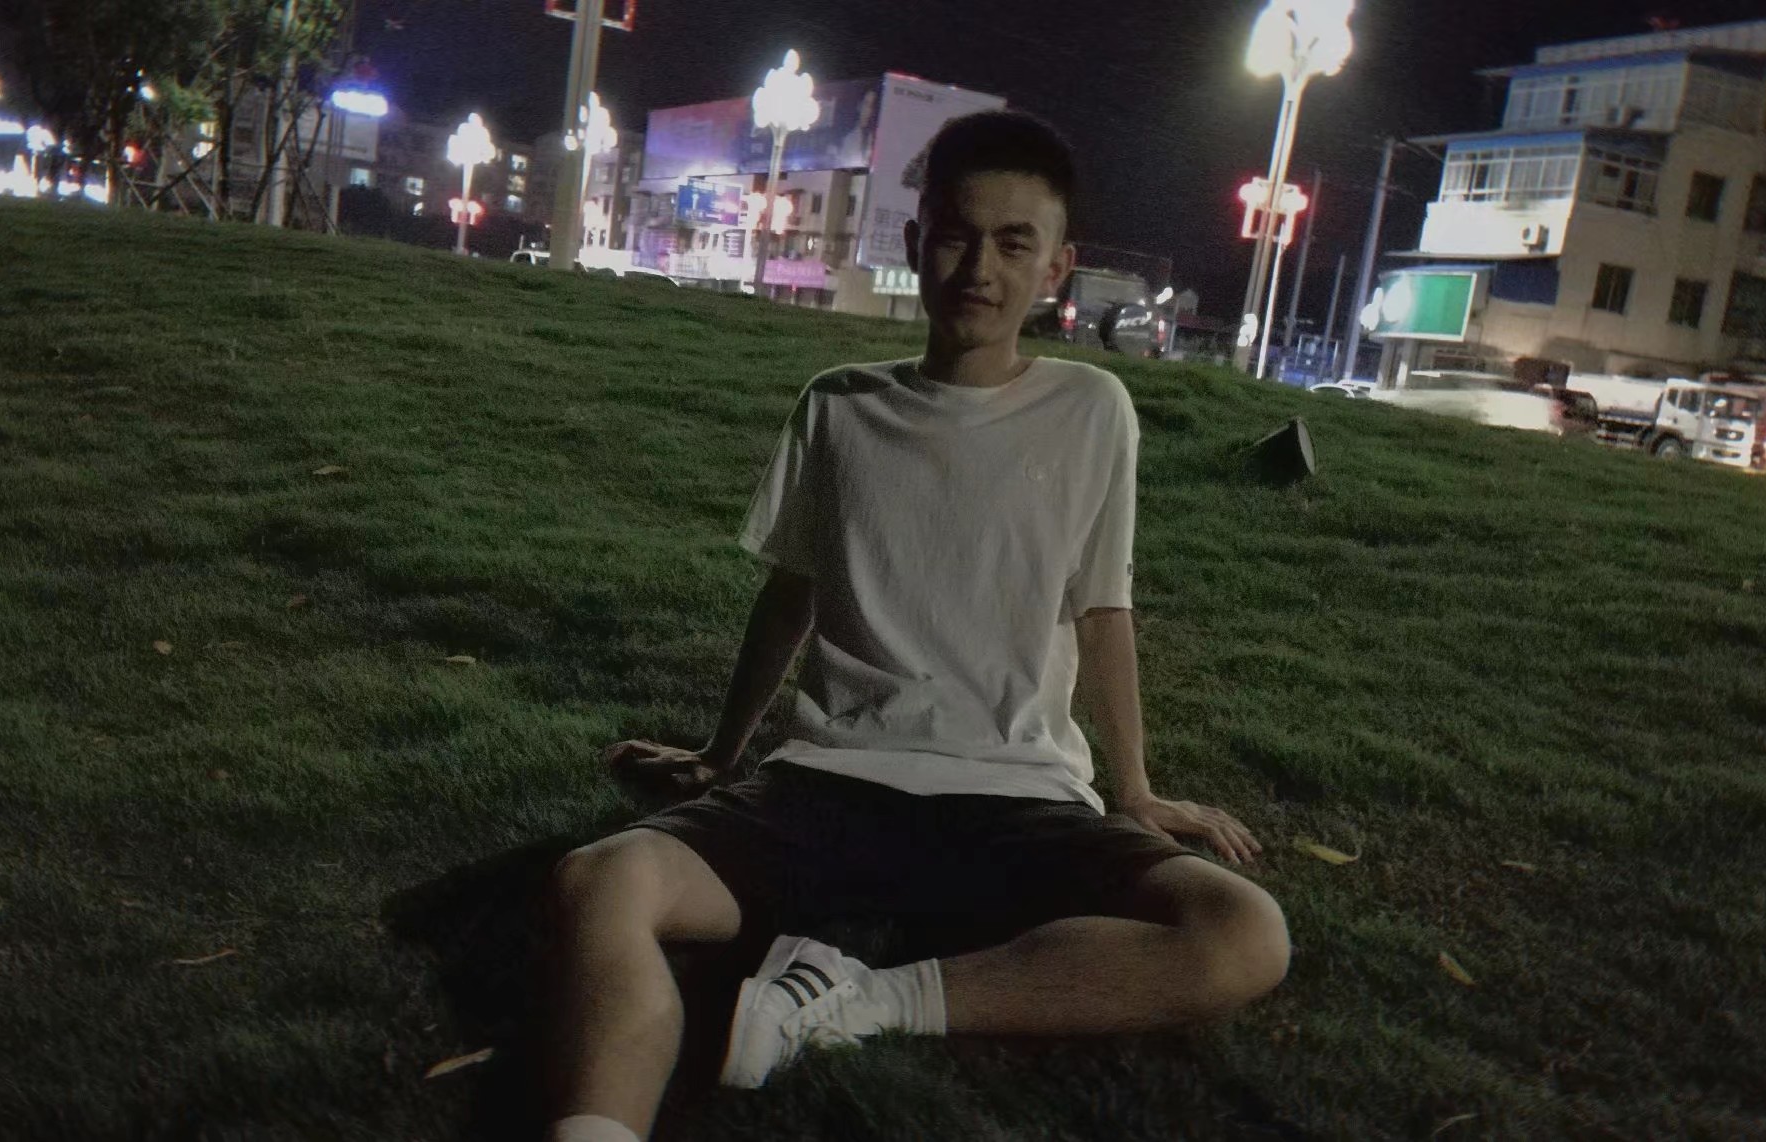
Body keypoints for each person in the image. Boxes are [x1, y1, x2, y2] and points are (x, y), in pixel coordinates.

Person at [543, 110, 1289, 1142]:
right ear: (914, 241)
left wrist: (1134, 789)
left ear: (1057, 267)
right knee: (603, 878)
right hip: (830, 785)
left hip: (1016, 795)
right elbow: (791, 594)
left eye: (1014, 243)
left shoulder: (1091, 408)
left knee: (1241, 933)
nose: (979, 268)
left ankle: (859, 1000)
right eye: (954, 234)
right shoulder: (839, 406)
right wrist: (721, 753)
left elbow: (1103, 606)